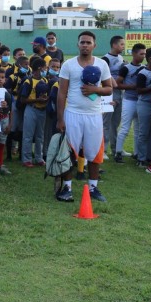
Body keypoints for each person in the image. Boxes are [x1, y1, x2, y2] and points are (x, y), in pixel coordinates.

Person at [55, 31, 113, 203]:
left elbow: (109, 88)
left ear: (94, 45)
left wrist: (95, 90)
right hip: (73, 114)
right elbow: (61, 93)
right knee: (69, 152)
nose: (85, 45)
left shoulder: (102, 64)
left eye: (88, 42)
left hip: (94, 115)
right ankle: (67, 187)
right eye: (82, 42)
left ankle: (93, 187)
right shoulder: (69, 65)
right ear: (78, 44)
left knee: (94, 152)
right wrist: (60, 118)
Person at [114, 43, 146, 163]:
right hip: (129, 101)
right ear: (133, 54)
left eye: (144, 54)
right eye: (141, 54)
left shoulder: (144, 68)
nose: (143, 56)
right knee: (125, 128)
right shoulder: (126, 68)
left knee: (138, 129)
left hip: (141, 101)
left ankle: (136, 153)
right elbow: (117, 84)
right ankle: (118, 152)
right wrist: (132, 87)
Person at [134, 48, 151, 168]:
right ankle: (141, 158)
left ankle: (150, 157)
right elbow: (139, 90)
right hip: (145, 104)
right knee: (144, 132)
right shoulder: (143, 73)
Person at [20, 57, 48, 168]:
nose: (46, 70)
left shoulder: (45, 80)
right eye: (45, 68)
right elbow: (23, 100)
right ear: (40, 68)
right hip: (31, 109)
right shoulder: (28, 81)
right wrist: (37, 100)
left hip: (42, 110)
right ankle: (27, 159)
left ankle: (38, 157)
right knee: (28, 135)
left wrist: (46, 99)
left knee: (40, 135)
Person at [102, 35, 126, 158]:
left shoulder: (121, 58)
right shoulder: (105, 59)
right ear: (114, 45)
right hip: (108, 93)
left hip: (119, 93)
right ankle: (103, 150)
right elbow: (103, 77)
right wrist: (115, 84)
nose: (123, 46)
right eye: (121, 44)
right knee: (106, 123)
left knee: (115, 123)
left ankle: (115, 148)